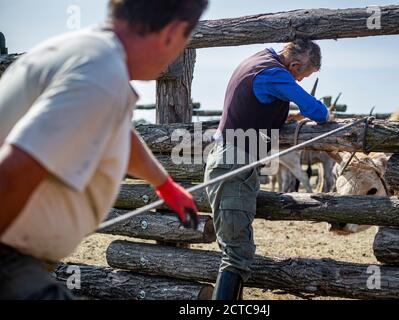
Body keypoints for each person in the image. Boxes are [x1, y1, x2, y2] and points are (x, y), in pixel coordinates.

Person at [0, 0, 208, 300]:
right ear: (173, 32)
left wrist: (165, 185)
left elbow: (120, 136)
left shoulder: (82, 52)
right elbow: (12, 173)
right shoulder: (101, 75)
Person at [204, 39, 332, 300]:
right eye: (302, 76)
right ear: (294, 64)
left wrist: (287, 118)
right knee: (236, 255)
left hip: (231, 159)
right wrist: (325, 115)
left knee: (237, 250)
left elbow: (256, 109)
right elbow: (316, 110)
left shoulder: (257, 62)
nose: (299, 81)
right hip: (235, 162)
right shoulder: (275, 73)